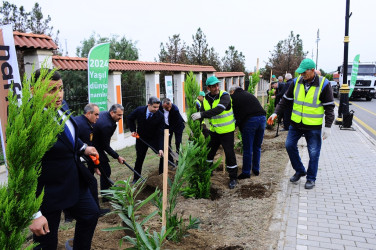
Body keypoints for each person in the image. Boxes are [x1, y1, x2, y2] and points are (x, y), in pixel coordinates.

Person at [29, 69, 99, 250]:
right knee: (47, 244)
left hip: (73, 181)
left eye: (61, 88)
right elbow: (22, 171)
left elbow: (69, 137)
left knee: (91, 215)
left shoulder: (63, 105)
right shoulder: (28, 121)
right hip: (47, 193)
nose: (59, 95)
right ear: (33, 90)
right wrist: (34, 214)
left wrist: (83, 147)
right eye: (51, 90)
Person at [267, 58, 334, 189]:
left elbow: (329, 107)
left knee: (313, 152)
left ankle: (311, 178)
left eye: (304, 72)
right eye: (300, 72)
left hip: (313, 126)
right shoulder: (296, 82)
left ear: (313, 71)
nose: (302, 74)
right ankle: (300, 170)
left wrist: (328, 126)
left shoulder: (324, 84)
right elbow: (285, 100)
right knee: (289, 145)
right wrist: (276, 113)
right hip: (296, 124)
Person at [191, 76, 238, 189]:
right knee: (210, 151)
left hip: (227, 131)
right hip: (214, 131)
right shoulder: (206, 99)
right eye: (213, 86)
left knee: (229, 153)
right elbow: (202, 113)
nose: (216, 87)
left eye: (217, 85)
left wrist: (201, 114)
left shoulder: (225, 95)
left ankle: (233, 178)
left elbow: (219, 109)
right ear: (208, 88)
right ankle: (208, 171)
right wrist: (195, 129)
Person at [74, 103, 110, 216]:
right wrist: (95, 166)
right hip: (74, 160)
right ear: (89, 114)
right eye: (96, 114)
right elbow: (86, 150)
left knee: (84, 183)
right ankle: (96, 211)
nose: (98, 117)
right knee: (91, 182)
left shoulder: (82, 121)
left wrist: (94, 166)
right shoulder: (83, 126)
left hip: (76, 158)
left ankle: (72, 214)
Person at [229, 85, 266, 179]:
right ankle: (256, 169)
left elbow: (235, 115)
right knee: (257, 146)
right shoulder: (248, 94)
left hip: (250, 121)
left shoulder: (234, 97)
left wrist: (236, 127)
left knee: (247, 148)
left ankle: (246, 172)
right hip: (262, 119)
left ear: (232, 91)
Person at [127, 96, 164, 182]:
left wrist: (160, 148)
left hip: (153, 138)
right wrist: (133, 130)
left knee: (163, 155)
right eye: (154, 107)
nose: (156, 109)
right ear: (149, 105)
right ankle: (136, 178)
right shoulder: (140, 110)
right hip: (141, 138)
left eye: (158, 107)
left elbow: (161, 133)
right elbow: (130, 118)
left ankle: (161, 176)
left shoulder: (160, 116)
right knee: (140, 158)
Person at [92, 104, 126, 192]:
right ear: (112, 113)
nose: (120, 117)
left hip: (94, 143)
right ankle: (106, 195)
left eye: (121, 115)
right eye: (119, 115)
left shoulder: (104, 114)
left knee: (103, 169)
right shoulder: (107, 125)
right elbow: (105, 146)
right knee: (105, 170)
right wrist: (117, 157)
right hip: (93, 146)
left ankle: (106, 193)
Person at [159, 98, 185, 165]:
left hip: (178, 126)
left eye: (170, 106)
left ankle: (179, 161)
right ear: (163, 106)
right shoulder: (159, 108)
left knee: (178, 143)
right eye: (167, 107)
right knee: (167, 143)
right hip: (167, 126)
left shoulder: (175, 109)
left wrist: (168, 132)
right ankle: (170, 161)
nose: (169, 108)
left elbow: (174, 124)